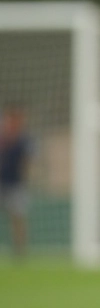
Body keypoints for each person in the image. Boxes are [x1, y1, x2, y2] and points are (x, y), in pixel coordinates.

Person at [0, 104, 31, 257]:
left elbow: (27, 161)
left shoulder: (23, 140)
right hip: (2, 182)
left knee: (18, 218)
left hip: (16, 184)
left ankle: (20, 252)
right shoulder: (2, 138)